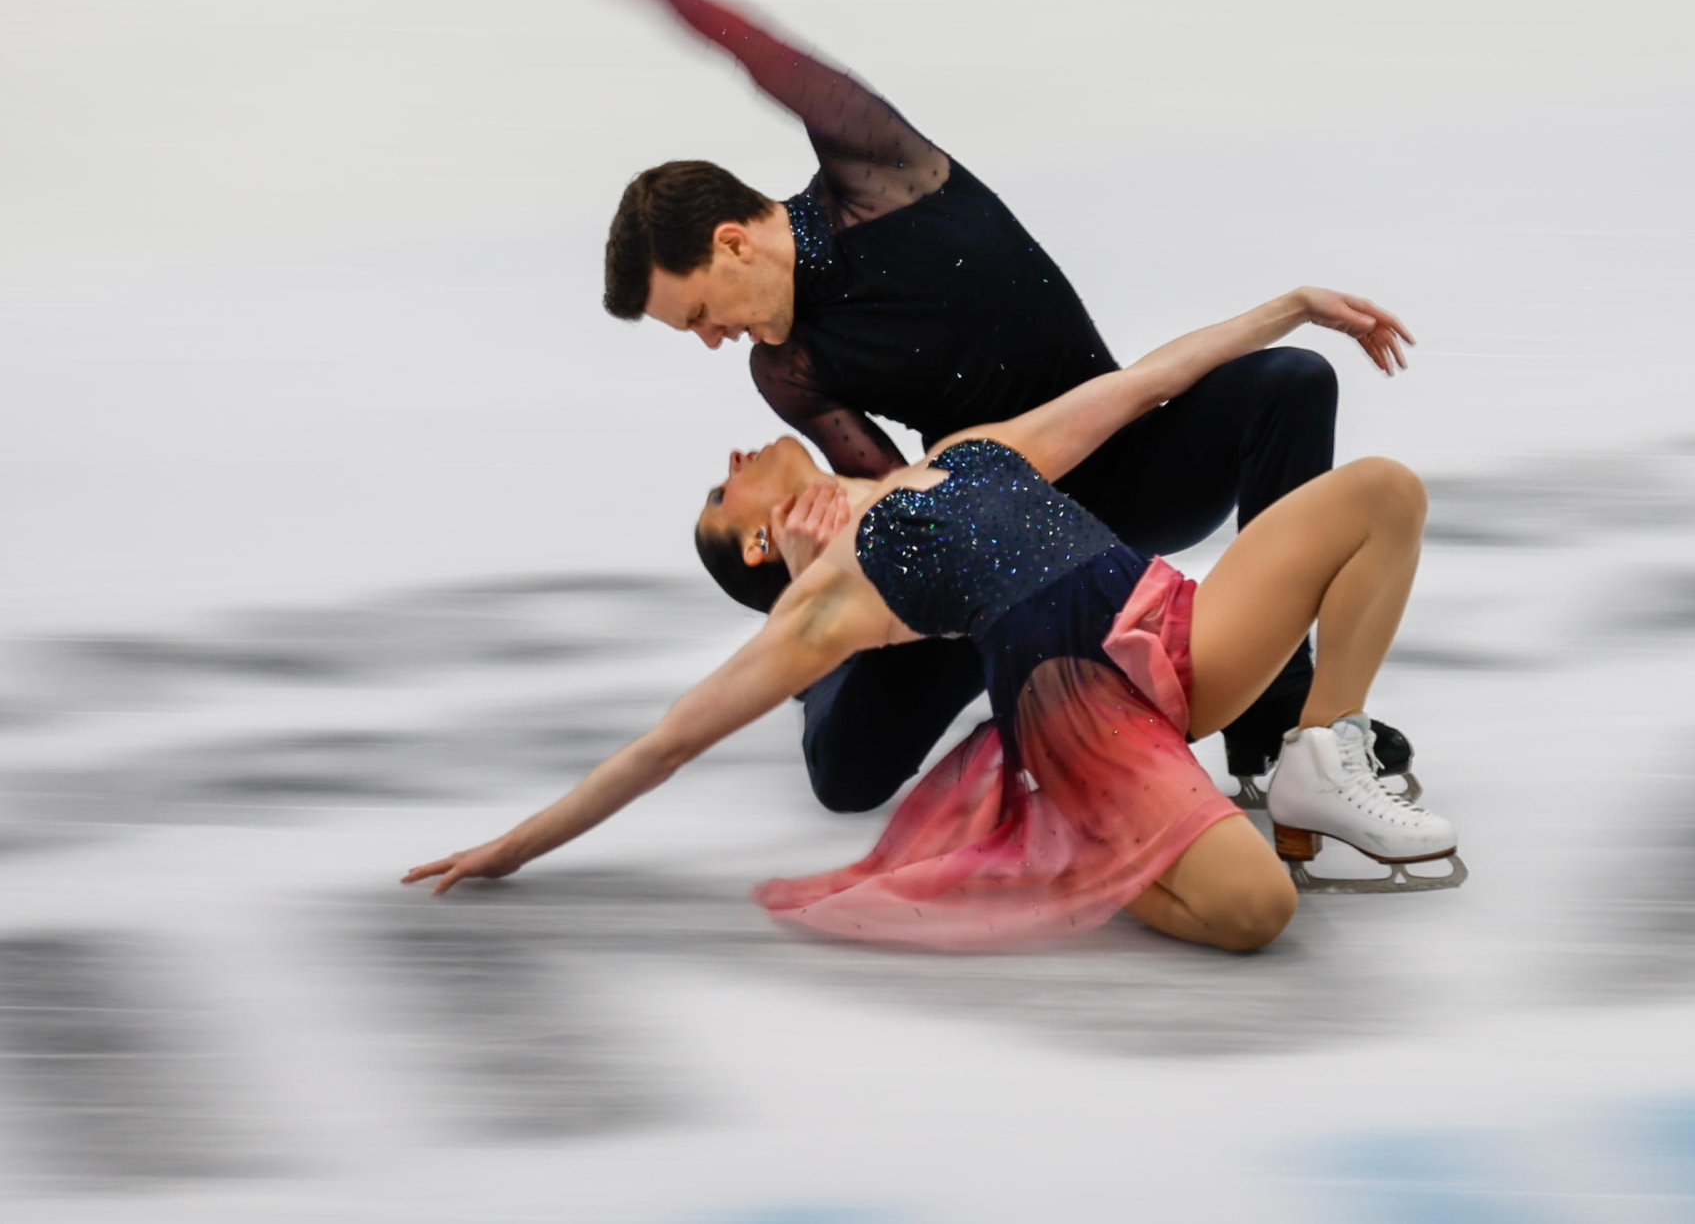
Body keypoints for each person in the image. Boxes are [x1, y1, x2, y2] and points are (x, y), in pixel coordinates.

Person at [592, 0, 1413, 812]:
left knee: (1290, 383)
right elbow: (892, 501)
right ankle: (866, 686)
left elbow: (768, 57)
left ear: (732, 243)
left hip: (1126, 465)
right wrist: (829, 559)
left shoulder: (877, 173)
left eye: (696, 313)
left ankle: (1276, 735)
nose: (709, 340)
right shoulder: (789, 366)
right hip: (1007, 545)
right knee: (847, 772)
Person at [404, 288, 1462, 950]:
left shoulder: (955, 456)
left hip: (1177, 625)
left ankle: (1319, 754)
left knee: (1381, 492)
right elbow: (669, 741)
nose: (730, 463)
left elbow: (1145, 384)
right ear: (763, 547)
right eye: (720, 496)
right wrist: (513, 847)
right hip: (1085, 719)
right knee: (1256, 916)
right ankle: (1076, 830)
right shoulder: (828, 601)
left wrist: (1291, 308)